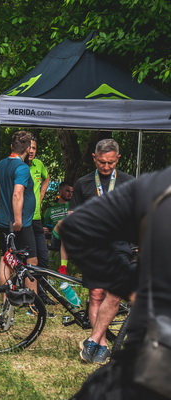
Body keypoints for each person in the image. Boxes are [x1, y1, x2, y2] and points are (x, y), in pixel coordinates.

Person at [60, 168, 171, 399]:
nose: (106, 165)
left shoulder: (154, 184)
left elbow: (75, 227)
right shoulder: (156, 187)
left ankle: (97, 341)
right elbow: (74, 223)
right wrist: (127, 285)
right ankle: (97, 341)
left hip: (151, 361)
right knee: (97, 294)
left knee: (110, 297)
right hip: (152, 359)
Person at [70, 138, 134, 364]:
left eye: (111, 163)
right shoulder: (83, 183)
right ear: (94, 158)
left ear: (118, 159)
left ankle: (92, 340)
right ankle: (102, 343)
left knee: (114, 294)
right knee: (96, 294)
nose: (106, 167)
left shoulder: (129, 182)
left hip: (119, 245)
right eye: (102, 162)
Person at [0, 131, 38, 295]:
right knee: (31, 260)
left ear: (12, 146)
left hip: (3, 220)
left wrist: (3, 198)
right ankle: (32, 302)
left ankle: (6, 299)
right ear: (28, 149)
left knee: (6, 259)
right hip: (20, 223)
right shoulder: (22, 168)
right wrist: (18, 220)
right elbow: (17, 193)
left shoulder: (3, 163)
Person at [28, 139, 50, 270]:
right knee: (29, 257)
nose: (31, 151)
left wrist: (41, 195)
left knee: (43, 257)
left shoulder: (38, 163)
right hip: (22, 218)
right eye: (29, 147)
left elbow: (47, 178)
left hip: (36, 217)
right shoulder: (17, 165)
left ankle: (42, 282)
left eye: (34, 148)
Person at [43, 181, 73, 274]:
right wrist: (45, 229)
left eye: (72, 192)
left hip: (72, 236)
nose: (70, 194)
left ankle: (63, 267)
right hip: (56, 238)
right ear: (60, 191)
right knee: (62, 223)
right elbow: (46, 226)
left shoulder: (73, 206)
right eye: (67, 191)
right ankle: (63, 267)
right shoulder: (50, 210)